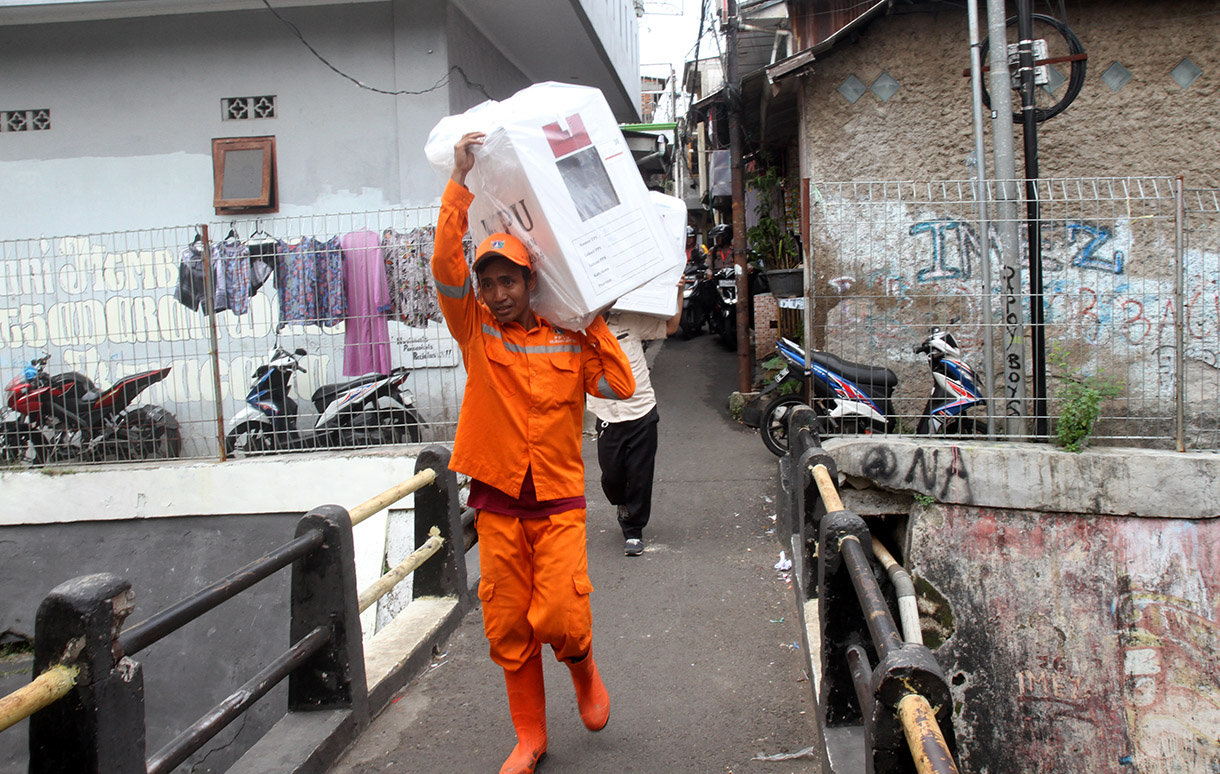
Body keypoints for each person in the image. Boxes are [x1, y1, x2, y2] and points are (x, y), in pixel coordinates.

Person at [432, 131, 636, 774]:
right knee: (509, 624)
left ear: (529, 282)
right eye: (488, 283)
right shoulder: (476, 333)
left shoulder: (569, 339)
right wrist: (459, 184)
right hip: (497, 500)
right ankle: (530, 736)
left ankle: (582, 669)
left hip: (556, 499)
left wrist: (593, 319)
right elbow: (444, 267)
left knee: (560, 614)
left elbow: (621, 386)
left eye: (508, 281)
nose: (496, 294)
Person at [587, 285, 683, 556]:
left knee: (640, 477)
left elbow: (671, 327)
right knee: (612, 477)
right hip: (607, 415)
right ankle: (622, 503)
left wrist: (677, 293)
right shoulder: (581, 330)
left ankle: (633, 530)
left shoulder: (630, 320)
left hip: (641, 411)